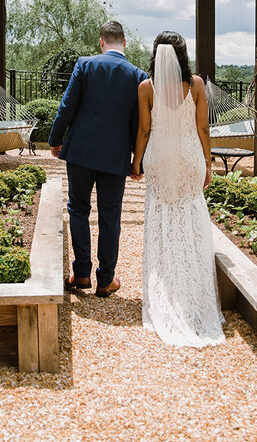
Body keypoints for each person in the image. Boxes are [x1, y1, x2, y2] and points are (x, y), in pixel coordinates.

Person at [130, 32, 225, 347]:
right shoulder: (196, 85)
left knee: (161, 221)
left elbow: (145, 129)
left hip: (159, 158)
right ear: (183, 55)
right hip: (189, 157)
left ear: (156, 55)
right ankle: (195, 297)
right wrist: (208, 163)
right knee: (193, 223)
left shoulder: (146, 87)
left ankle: (165, 290)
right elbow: (202, 127)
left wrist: (136, 162)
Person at [49, 21, 148, 297]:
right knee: (110, 216)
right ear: (124, 43)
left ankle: (81, 274)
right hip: (116, 157)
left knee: (78, 209)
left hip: (81, 151)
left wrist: (56, 139)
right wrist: (137, 161)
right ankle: (105, 280)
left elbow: (67, 105)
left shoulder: (85, 64)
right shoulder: (138, 75)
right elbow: (140, 123)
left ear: (101, 42)